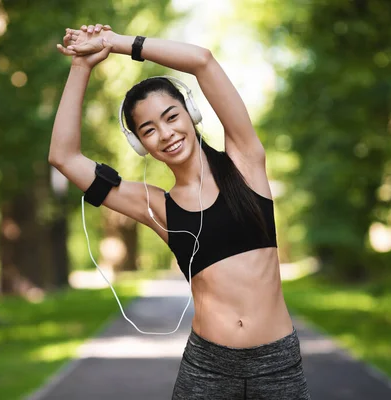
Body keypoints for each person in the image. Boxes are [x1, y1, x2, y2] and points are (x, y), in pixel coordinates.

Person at [50, 23, 311, 400]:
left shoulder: (246, 163)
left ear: (191, 113)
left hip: (278, 366)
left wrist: (115, 43)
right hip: (207, 368)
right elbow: (64, 157)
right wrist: (82, 64)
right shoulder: (158, 208)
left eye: (171, 117)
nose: (166, 133)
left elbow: (202, 61)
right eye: (149, 129)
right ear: (141, 145)